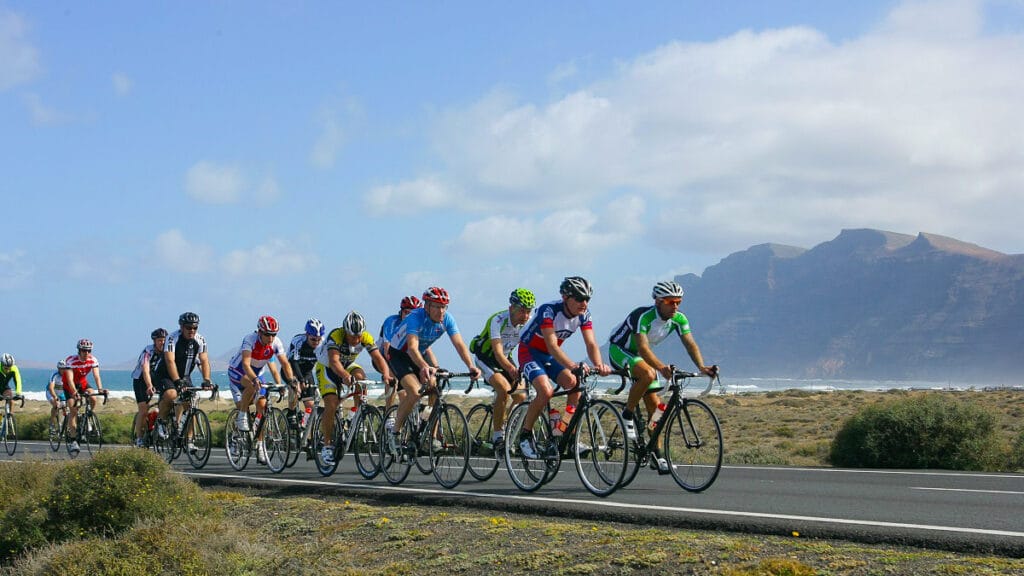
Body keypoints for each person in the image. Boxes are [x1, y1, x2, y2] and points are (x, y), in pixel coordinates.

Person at [608, 280, 718, 472]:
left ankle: (656, 455)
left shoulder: (679, 319)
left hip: (642, 358)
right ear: (658, 301)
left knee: (656, 410)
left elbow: (690, 344)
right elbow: (642, 348)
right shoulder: (642, 316)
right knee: (649, 373)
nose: (675, 305)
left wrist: (702, 366)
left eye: (678, 301)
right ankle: (628, 413)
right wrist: (661, 368)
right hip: (620, 350)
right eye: (670, 301)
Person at [516, 276, 611, 459]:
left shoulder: (584, 314)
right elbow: (552, 344)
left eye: (587, 299)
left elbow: (591, 344)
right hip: (529, 352)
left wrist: (599, 365)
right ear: (566, 297)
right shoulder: (548, 310)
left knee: (574, 385)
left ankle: (568, 434)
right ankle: (525, 437)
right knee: (546, 391)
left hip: (550, 356)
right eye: (579, 298)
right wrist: (573, 365)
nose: (584, 303)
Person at [386, 287, 481, 454]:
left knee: (435, 390)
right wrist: (424, 366)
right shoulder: (416, 318)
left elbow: (459, 344)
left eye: (444, 307)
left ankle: (432, 437)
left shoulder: (447, 319)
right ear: (427, 306)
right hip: (399, 354)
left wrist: (471, 366)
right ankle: (394, 433)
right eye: (437, 306)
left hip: (418, 355)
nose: (441, 311)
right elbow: (412, 348)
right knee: (415, 392)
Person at [315, 311, 393, 466]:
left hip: (347, 364)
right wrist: (344, 376)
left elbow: (378, 358)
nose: (356, 340)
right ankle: (327, 445)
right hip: (327, 367)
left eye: (359, 336)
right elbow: (334, 361)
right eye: (353, 336)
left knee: (361, 379)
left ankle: (357, 415)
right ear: (345, 331)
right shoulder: (336, 336)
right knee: (331, 403)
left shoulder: (365, 337)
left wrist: (386, 375)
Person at [469, 288, 535, 448]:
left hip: (505, 358)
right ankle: (498, 436)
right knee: (504, 390)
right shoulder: (498, 320)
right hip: (487, 357)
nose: (525, 316)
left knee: (521, 396)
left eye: (528, 312)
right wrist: (512, 369)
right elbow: (498, 353)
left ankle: (506, 421)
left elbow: (530, 349)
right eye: (522, 311)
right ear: (512, 308)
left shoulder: (528, 323)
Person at [228, 315, 296, 464]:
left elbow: (282, 365)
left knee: (262, 408)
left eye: (274, 334)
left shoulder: (275, 343)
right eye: (267, 334)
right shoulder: (250, 339)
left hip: (256, 376)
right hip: (238, 372)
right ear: (259, 332)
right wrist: (254, 379)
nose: (271, 338)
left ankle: (260, 446)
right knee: (251, 389)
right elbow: (245, 364)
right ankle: (241, 417)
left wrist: (287, 382)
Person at [153, 312, 213, 447]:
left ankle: (189, 440)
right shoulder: (172, 338)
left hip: (184, 375)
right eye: (188, 327)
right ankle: (162, 421)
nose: (191, 330)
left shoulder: (200, 339)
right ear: (181, 327)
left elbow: (204, 360)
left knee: (191, 404)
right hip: (165, 373)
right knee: (171, 394)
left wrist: (207, 379)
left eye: (194, 328)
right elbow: (170, 361)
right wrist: (176, 381)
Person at [60, 339, 104, 453]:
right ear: (79, 350)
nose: (87, 353)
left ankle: (87, 416)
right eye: (84, 351)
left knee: (93, 398)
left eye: (89, 351)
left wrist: (100, 389)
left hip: (82, 383)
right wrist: (74, 393)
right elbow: (69, 380)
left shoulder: (92, 360)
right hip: (69, 386)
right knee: (73, 409)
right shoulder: (71, 360)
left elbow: (96, 376)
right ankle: (74, 440)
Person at [378, 295, 422, 409]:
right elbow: (388, 349)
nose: (409, 316)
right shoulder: (392, 321)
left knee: (409, 394)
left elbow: (425, 350)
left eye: (413, 313)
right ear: (401, 312)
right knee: (394, 379)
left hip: (403, 357)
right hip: (383, 357)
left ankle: (411, 420)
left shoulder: (418, 324)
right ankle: (388, 414)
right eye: (407, 312)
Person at [286, 318, 325, 430]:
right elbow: (294, 362)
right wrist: (301, 380)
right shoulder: (298, 340)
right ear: (307, 334)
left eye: (318, 339)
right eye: (313, 339)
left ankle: (305, 433)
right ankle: (291, 413)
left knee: (310, 406)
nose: (316, 342)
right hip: (292, 368)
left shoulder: (322, 344)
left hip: (307, 371)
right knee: (295, 388)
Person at [131, 328, 167, 447]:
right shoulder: (148, 351)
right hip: (140, 379)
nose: (162, 342)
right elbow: (145, 370)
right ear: (154, 341)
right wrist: (150, 386)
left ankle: (156, 424)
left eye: (164, 340)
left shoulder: (168, 350)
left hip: (155, 377)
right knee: (143, 410)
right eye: (159, 340)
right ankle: (139, 438)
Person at [45, 360, 67, 433]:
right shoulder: (54, 375)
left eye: (64, 368)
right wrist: (55, 397)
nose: (63, 370)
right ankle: (52, 424)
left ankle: (63, 425)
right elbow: (51, 388)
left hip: (61, 393)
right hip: (51, 392)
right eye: (61, 368)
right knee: (56, 405)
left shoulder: (68, 375)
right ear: (58, 369)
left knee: (65, 407)